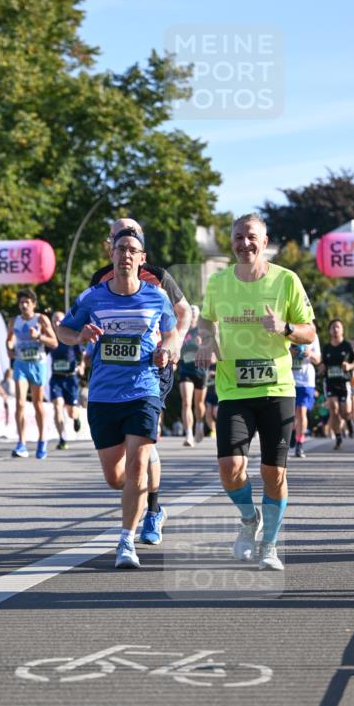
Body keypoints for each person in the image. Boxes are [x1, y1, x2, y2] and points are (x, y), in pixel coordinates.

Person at [197, 213, 316, 571]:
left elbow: (310, 331)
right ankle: (250, 519)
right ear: (231, 242)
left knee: (272, 473)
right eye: (237, 237)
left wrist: (286, 327)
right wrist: (205, 340)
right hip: (233, 388)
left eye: (251, 237)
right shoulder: (218, 282)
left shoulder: (286, 280)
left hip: (277, 389)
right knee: (230, 468)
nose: (244, 243)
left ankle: (269, 546)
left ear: (264, 243)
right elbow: (206, 318)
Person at [58, 228, 177, 569]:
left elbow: (170, 332)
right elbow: (63, 331)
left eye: (133, 250)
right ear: (111, 254)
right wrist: (79, 335)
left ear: (142, 260)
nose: (126, 254)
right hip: (103, 395)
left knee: (137, 466)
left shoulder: (157, 297)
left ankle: (126, 540)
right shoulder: (93, 297)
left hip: (143, 390)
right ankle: (146, 495)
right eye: (120, 248)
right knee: (116, 477)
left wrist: (166, 351)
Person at [90, 218, 192, 545]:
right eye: (117, 236)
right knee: (122, 470)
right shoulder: (100, 278)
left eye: (132, 237)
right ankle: (145, 479)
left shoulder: (158, 276)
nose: (124, 241)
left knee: (144, 443)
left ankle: (153, 510)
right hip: (111, 376)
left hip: (153, 366)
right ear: (111, 242)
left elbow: (184, 313)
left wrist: (171, 346)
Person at [6, 289, 57, 459]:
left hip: (38, 364)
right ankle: (21, 443)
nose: (24, 305)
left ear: (33, 304)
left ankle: (42, 440)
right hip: (21, 364)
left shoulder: (41, 319)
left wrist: (39, 336)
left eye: (27, 302)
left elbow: (54, 343)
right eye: (21, 302)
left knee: (37, 404)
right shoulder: (14, 321)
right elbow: (9, 340)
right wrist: (10, 349)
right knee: (19, 403)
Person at [320, 319, 354, 450]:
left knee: (345, 412)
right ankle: (338, 437)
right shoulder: (326, 348)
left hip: (344, 383)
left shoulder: (347, 346)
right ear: (330, 330)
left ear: (342, 330)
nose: (335, 329)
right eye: (333, 327)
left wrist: (349, 365)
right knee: (334, 410)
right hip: (330, 383)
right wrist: (322, 367)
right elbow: (322, 363)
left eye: (338, 327)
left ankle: (348, 421)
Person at [49, 311, 84, 449]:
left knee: (71, 412)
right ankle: (62, 438)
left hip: (70, 378)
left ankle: (76, 417)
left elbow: (81, 353)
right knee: (57, 406)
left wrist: (81, 365)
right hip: (56, 377)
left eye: (59, 320)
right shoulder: (50, 338)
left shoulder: (70, 336)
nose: (57, 323)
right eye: (54, 321)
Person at [177, 305, 208, 446]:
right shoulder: (182, 330)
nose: (193, 318)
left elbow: (212, 348)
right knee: (186, 402)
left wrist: (203, 345)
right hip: (186, 370)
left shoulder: (202, 330)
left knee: (199, 404)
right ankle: (189, 433)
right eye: (191, 315)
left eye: (195, 315)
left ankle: (200, 424)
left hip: (201, 371)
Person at [291, 331, 321, 457]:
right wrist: (290, 353)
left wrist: (310, 353)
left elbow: (318, 359)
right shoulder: (284, 329)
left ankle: (299, 443)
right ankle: (293, 433)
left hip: (306, 381)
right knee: (290, 415)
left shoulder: (312, 334)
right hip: (288, 379)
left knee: (301, 412)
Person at [204, 364, 218, 438]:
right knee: (208, 412)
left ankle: (220, 428)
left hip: (218, 393)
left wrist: (215, 373)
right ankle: (214, 430)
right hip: (208, 392)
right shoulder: (206, 365)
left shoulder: (219, 363)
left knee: (216, 412)